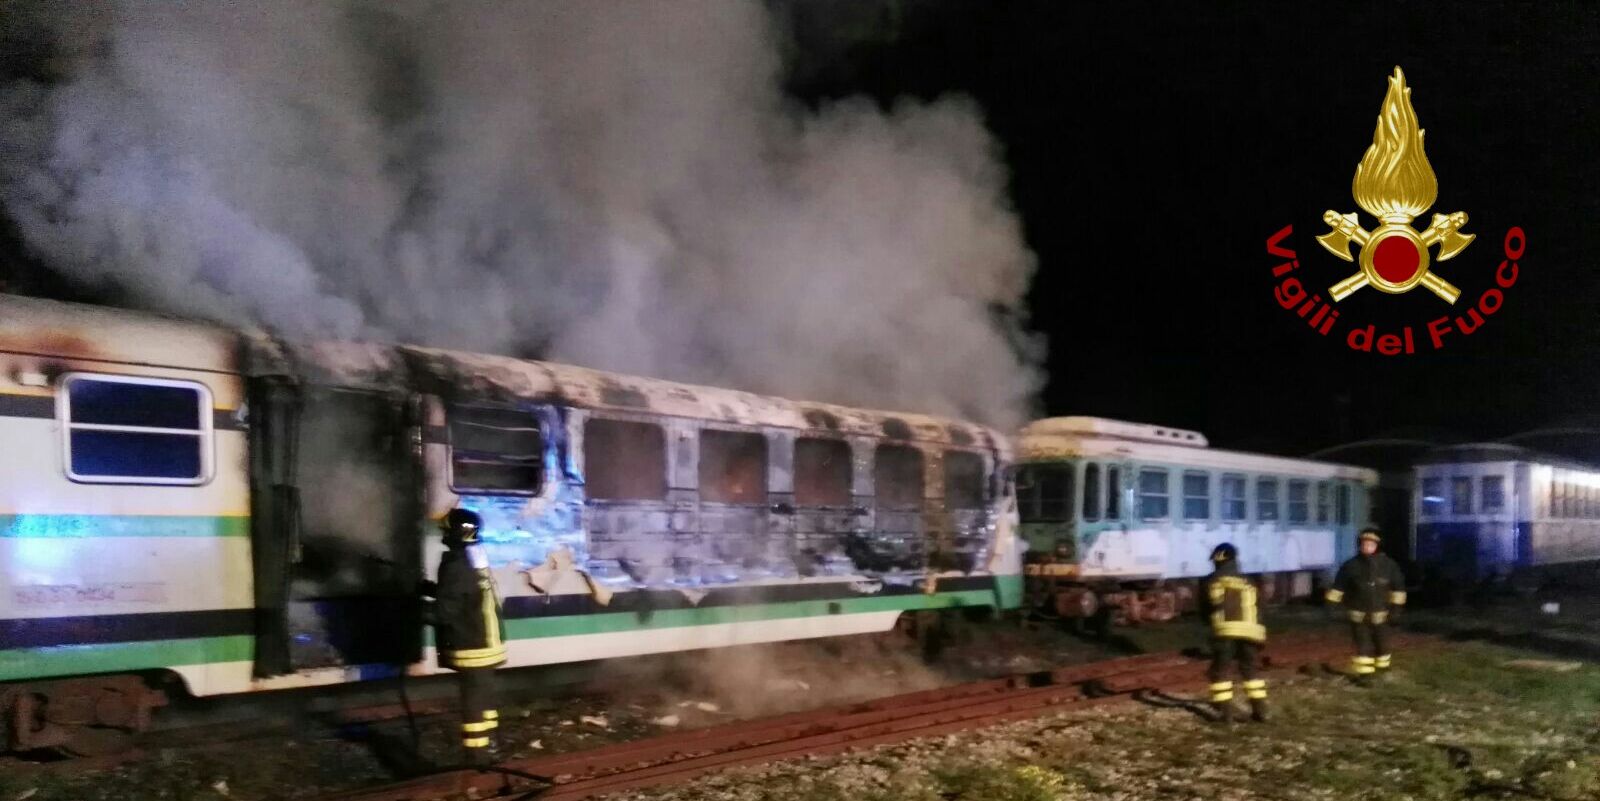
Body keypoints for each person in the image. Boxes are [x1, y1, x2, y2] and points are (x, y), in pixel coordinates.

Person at [421, 508, 507, 763]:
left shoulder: (455, 563)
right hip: (488, 641)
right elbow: (464, 594)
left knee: (472, 702)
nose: (443, 534)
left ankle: (478, 756)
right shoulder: (475, 556)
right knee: (484, 698)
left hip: (472, 644)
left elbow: (446, 613)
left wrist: (411, 610)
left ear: (455, 532)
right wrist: (428, 589)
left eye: (445, 530)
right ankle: (491, 746)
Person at [1326, 528, 1407, 684]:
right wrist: (1331, 606)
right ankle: (1365, 676)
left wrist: (1396, 611)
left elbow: (1398, 590)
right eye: (1364, 544)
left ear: (1377, 546)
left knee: (1382, 645)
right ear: (1360, 545)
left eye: (1371, 544)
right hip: (1358, 615)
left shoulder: (1389, 566)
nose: (1367, 547)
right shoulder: (1350, 566)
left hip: (1381, 615)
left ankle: (1383, 671)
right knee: (1362, 646)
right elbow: (1338, 588)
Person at [1199, 543, 1269, 723]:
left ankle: (1226, 715)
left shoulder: (1210, 580)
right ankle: (1261, 711)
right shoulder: (1250, 581)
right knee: (1250, 670)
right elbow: (1260, 607)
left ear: (1217, 561)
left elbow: (1205, 609)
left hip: (1225, 631)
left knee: (1220, 672)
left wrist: (1211, 626)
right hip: (1251, 631)